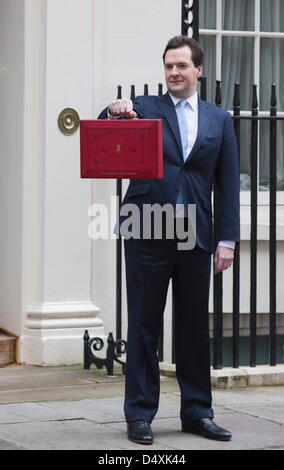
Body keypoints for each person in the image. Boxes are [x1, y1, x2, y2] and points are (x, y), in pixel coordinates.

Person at [98, 36, 240, 445]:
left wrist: (227, 239)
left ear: (199, 70)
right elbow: (104, 138)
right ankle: (140, 414)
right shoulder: (144, 108)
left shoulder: (220, 120)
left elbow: (227, 186)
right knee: (143, 325)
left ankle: (197, 413)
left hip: (196, 235)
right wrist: (112, 111)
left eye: (181, 66)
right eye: (168, 66)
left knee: (194, 327)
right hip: (145, 229)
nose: (174, 73)